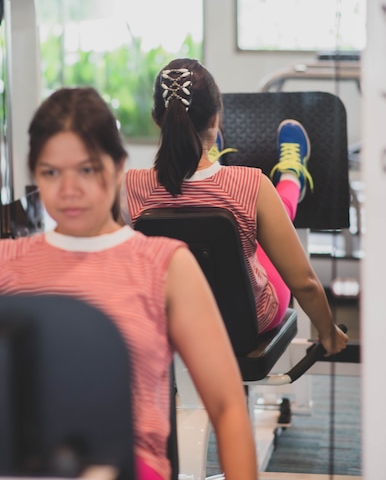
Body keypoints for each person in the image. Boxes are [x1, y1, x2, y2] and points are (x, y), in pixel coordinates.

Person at [0, 87, 257, 480]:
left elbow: (226, 406)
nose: (69, 190)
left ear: (119, 166)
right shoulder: (8, 263)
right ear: (35, 175)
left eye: (87, 169)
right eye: (51, 172)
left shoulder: (165, 265)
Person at [120, 58, 349, 357]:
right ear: (215, 119)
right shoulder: (252, 184)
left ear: (156, 120)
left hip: (173, 322)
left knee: (254, 224)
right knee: (264, 228)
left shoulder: (129, 188)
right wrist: (328, 333)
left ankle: (225, 164)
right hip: (248, 323)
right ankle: (292, 175)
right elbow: (304, 283)